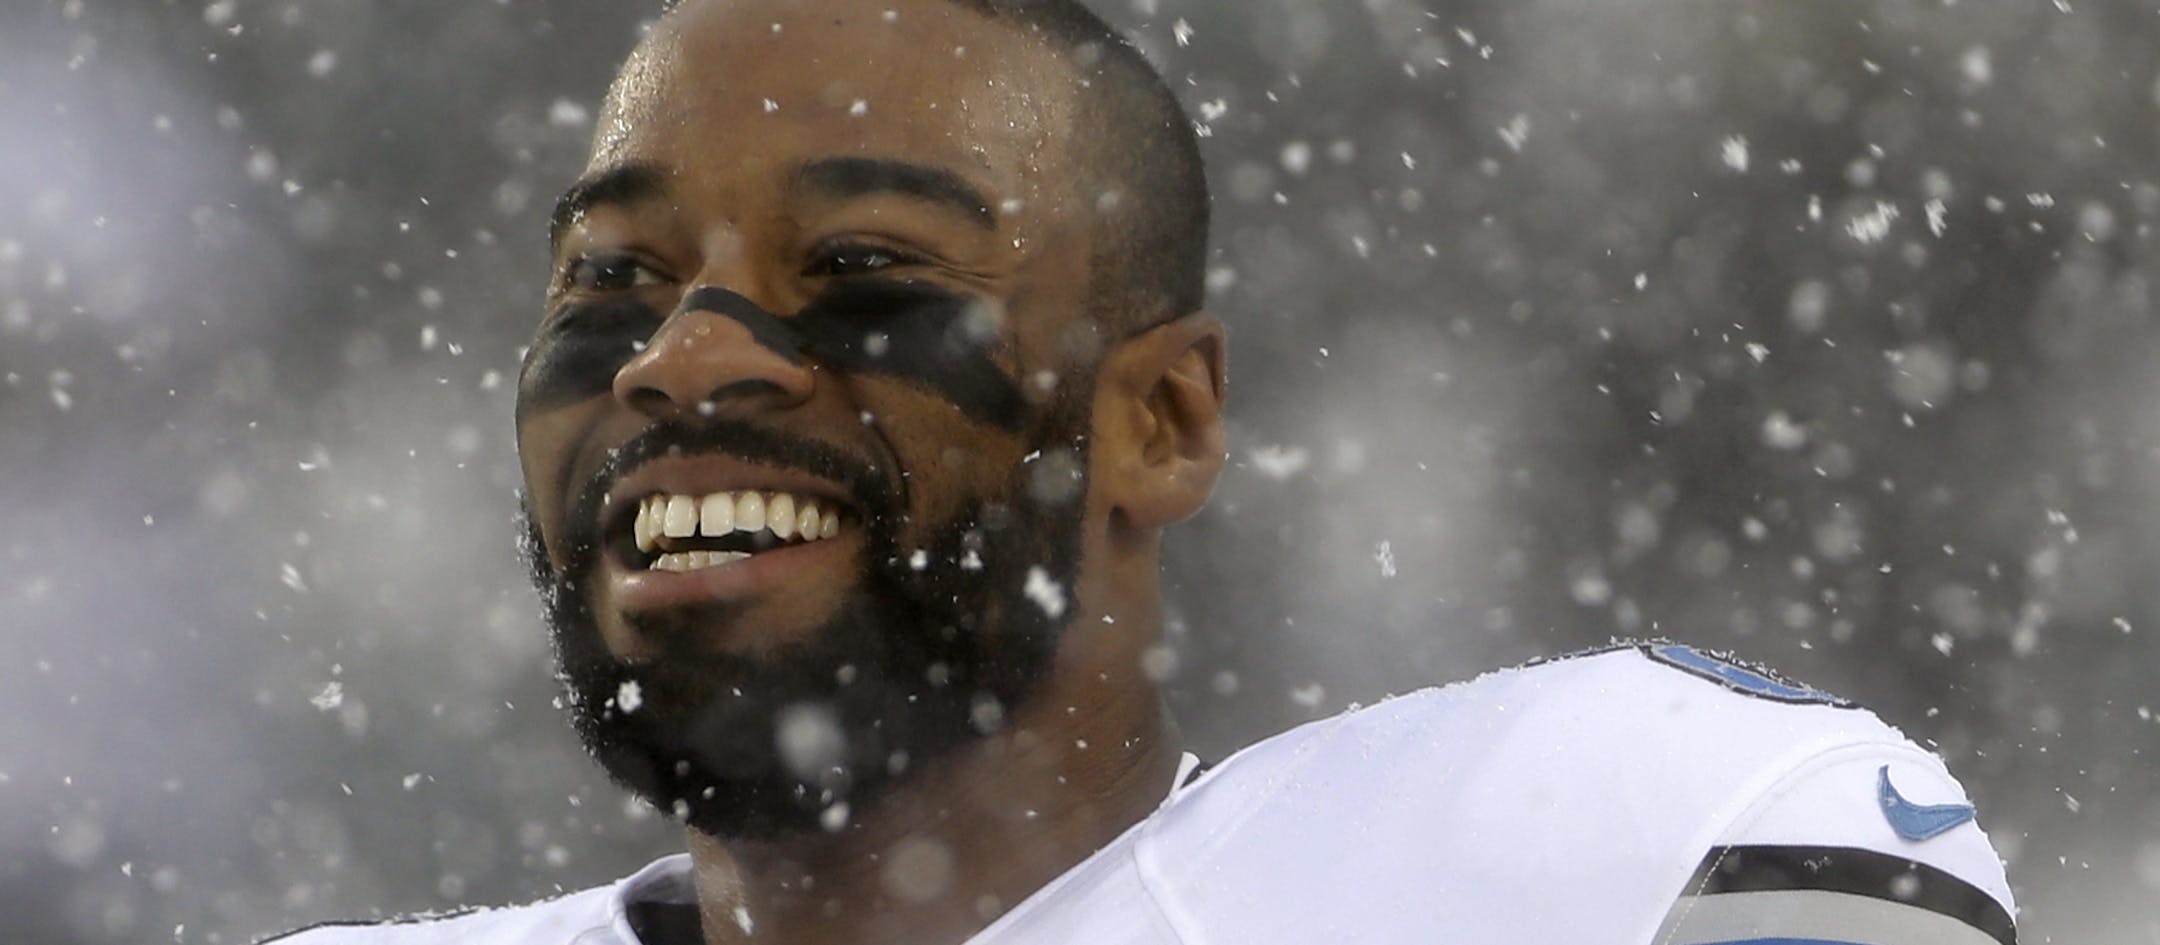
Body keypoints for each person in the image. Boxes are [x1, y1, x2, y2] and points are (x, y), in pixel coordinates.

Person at [263, 0, 2019, 942]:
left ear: (1160, 418)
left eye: (866, 274)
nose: (680, 355)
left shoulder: (1583, 839)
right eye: (611, 284)